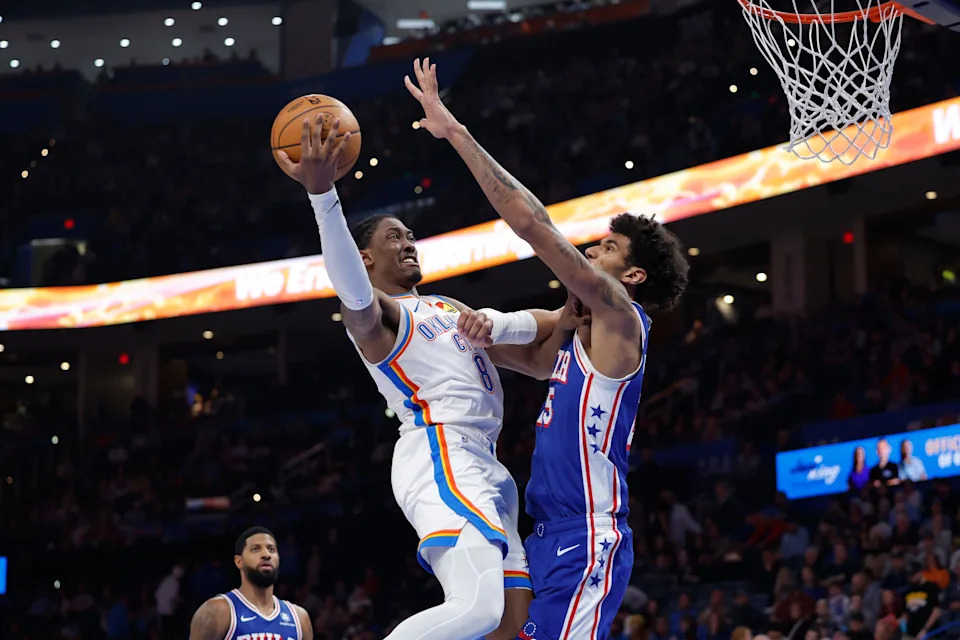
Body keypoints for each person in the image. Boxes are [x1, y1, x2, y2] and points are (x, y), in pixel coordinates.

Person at [405, 58, 689, 640]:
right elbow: (516, 345)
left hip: (588, 536)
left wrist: (455, 132)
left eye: (607, 247)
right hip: (545, 534)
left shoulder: (620, 315)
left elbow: (532, 223)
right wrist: (437, 320)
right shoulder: (576, 329)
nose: (590, 249)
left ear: (630, 276)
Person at [275, 114, 570, 640]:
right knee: (477, 609)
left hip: (486, 462)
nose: (409, 242)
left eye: (411, 235)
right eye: (395, 236)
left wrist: (562, 310)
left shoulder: (444, 305)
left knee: (510, 624)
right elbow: (354, 294)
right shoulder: (377, 317)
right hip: (440, 450)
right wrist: (323, 197)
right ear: (365, 257)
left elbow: (541, 360)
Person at [188, 526, 313, 640]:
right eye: (255, 549)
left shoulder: (299, 618)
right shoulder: (217, 611)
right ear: (239, 561)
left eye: (271, 549)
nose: (266, 554)